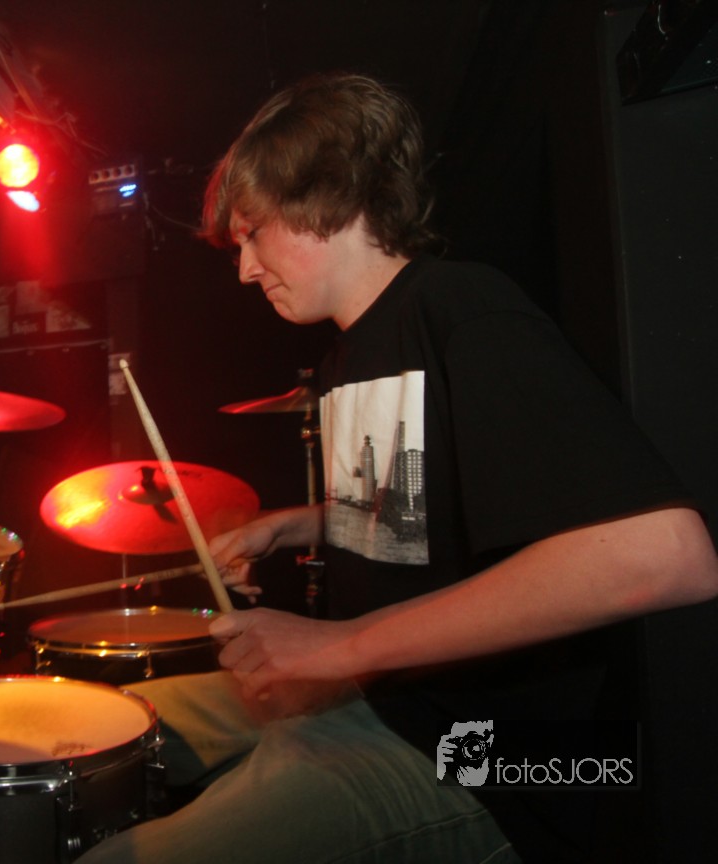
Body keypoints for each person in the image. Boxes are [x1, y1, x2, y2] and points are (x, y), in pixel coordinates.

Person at [79, 73, 718, 863]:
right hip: (379, 699)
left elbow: (663, 554)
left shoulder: (464, 308)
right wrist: (293, 526)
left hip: (499, 757)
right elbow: (425, 510)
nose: (243, 268)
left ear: (330, 196)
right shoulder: (346, 356)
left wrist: (338, 646)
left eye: (253, 234)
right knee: (97, 731)